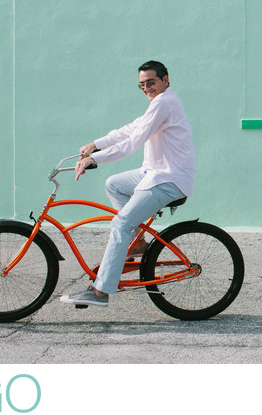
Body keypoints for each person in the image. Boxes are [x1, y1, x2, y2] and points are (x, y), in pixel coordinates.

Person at [60, 60, 196, 307]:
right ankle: (140, 243)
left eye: (151, 82)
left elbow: (132, 143)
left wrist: (95, 158)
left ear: (166, 80)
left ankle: (100, 291)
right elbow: (131, 129)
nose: (146, 87)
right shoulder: (159, 103)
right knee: (115, 185)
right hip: (153, 172)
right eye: (142, 84)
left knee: (121, 223)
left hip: (168, 179)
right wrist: (96, 143)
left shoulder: (164, 103)